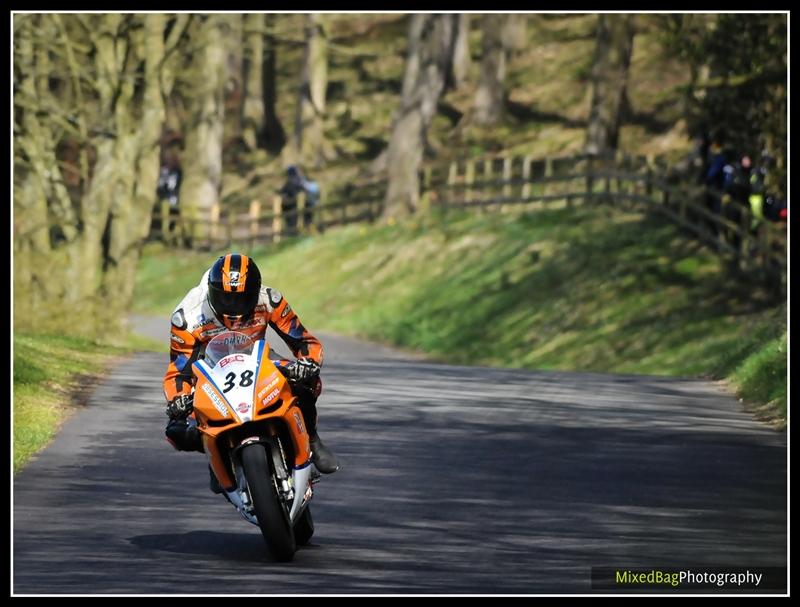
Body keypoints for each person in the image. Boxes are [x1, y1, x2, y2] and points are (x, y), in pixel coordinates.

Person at [163, 252, 340, 487]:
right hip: (211, 370)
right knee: (176, 429)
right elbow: (179, 371)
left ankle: (312, 438)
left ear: (255, 291)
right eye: (226, 299)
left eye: (242, 298)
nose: (234, 307)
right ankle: (217, 455)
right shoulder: (188, 316)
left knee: (308, 382)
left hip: (260, 359)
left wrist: (308, 363)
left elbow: (304, 341)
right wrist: (179, 399)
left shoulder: (269, 299)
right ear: (212, 291)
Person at [156, 156, 182, 238]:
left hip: (175, 201)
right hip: (166, 199)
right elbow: (161, 186)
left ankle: (172, 235)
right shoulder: (164, 171)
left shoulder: (178, 172)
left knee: (174, 219)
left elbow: (177, 186)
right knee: (165, 219)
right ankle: (165, 234)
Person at [279, 166, 306, 233]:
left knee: (291, 221)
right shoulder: (298, 180)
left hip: (291, 204)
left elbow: (283, 191)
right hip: (292, 204)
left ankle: (293, 233)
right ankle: (293, 233)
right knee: (293, 220)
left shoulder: (291, 181)